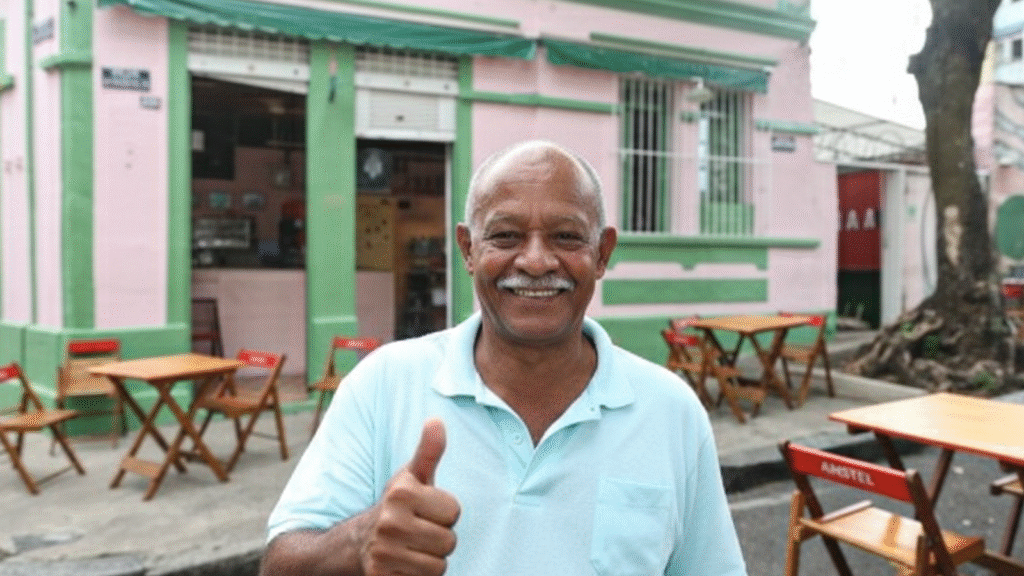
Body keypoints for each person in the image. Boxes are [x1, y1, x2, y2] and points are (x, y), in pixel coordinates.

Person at [260, 140, 747, 576]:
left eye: (566, 236)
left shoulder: (671, 412)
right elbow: (279, 563)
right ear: (468, 250)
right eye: (506, 236)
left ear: (602, 253)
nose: (535, 261)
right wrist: (358, 541)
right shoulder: (384, 385)